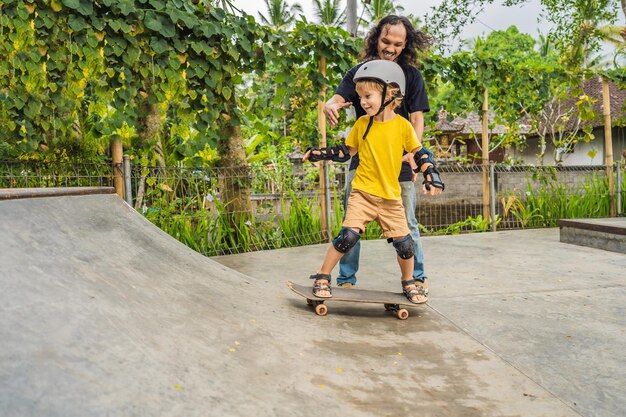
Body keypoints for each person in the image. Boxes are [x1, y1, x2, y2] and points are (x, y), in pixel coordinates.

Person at [303, 60, 444, 303]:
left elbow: (420, 153)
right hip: (363, 193)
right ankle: (323, 276)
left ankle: (409, 282)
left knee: (405, 244)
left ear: (389, 93)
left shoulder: (403, 126)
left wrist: (432, 176)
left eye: (367, 96)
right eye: (360, 97)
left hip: (391, 197)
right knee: (347, 237)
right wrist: (320, 154)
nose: (362, 102)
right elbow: (346, 152)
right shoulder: (362, 124)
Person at [324, 15, 439, 295]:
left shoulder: (411, 76)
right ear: (376, 38)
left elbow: (417, 119)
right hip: (362, 162)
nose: (391, 48)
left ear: (405, 44)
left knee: (407, 224)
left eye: (398, 44)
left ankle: (417, 278)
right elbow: (340, 98)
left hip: (399, 164)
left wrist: (414, 155)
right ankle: (346, 279)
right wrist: (331, 103)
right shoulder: (359, 72)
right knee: (352, 224)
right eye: (386, 41)